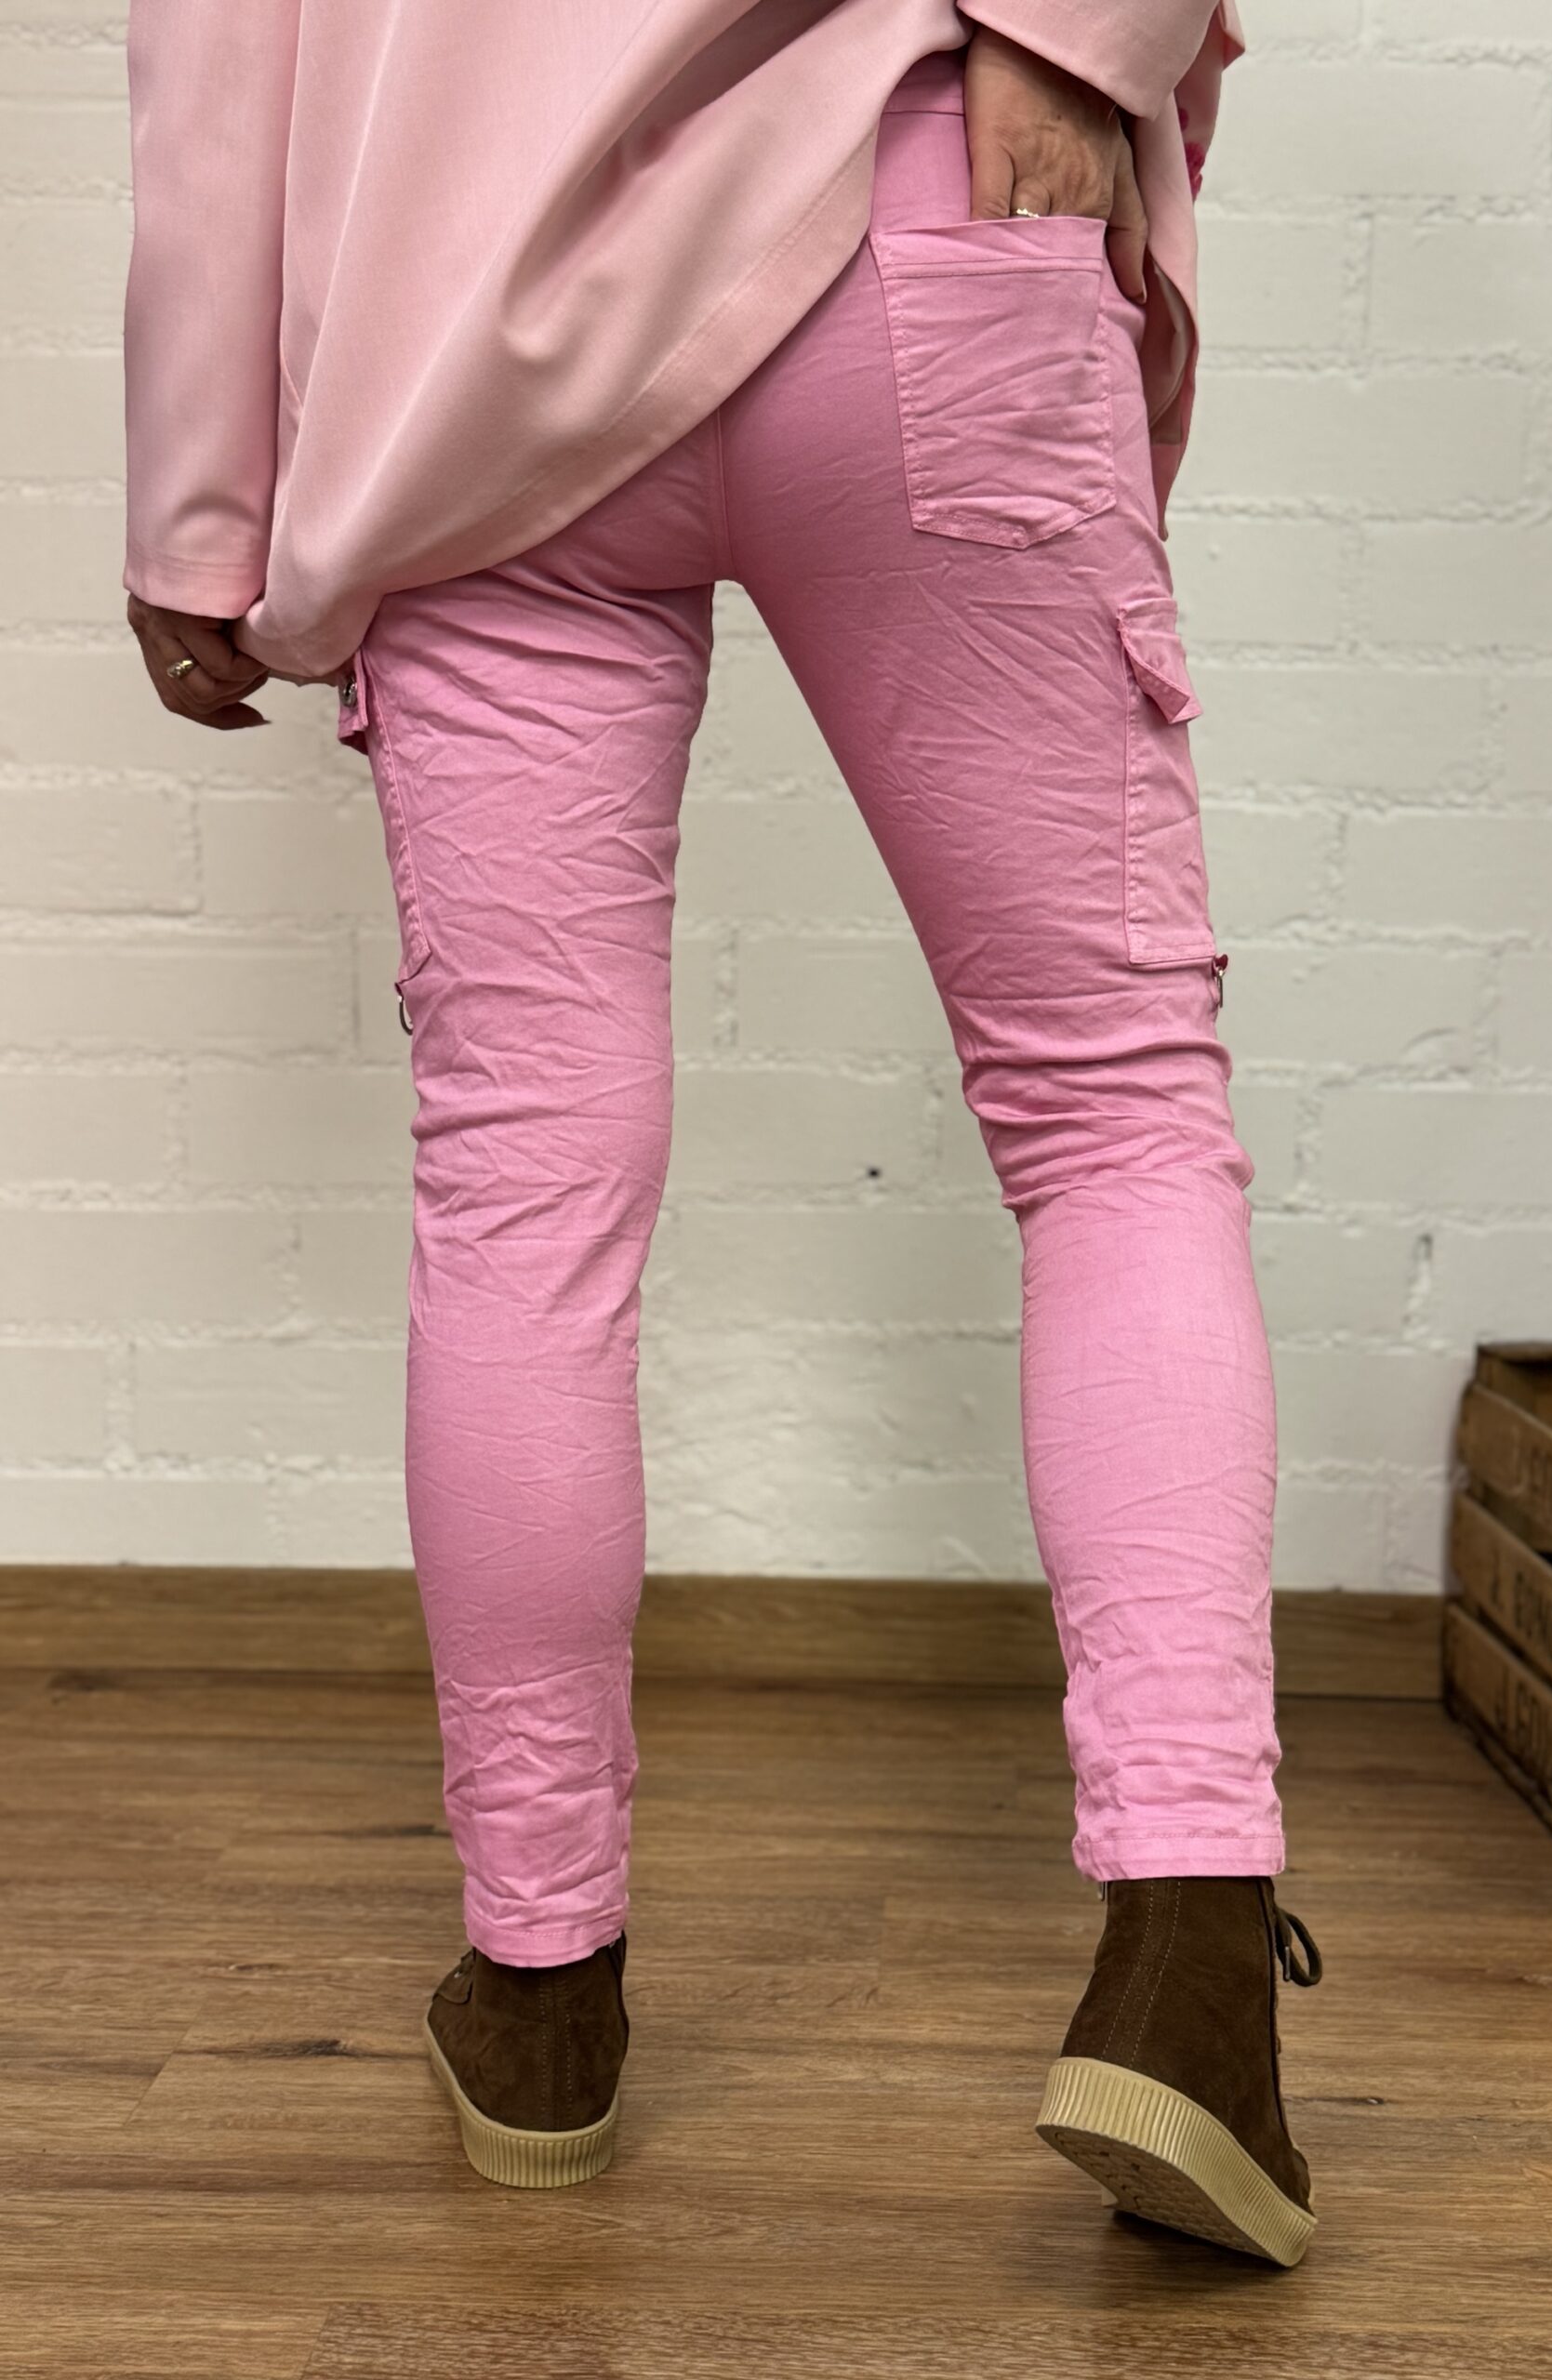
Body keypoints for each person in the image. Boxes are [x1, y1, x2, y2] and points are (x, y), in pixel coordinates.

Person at [121, 0, 1324, 2265]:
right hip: (906, 209)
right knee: (1111, 1110)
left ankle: (541, 1981)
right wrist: (1079, 31)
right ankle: (1186, 1962)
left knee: (523, 1186)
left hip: (461, 365)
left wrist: (203, 488)